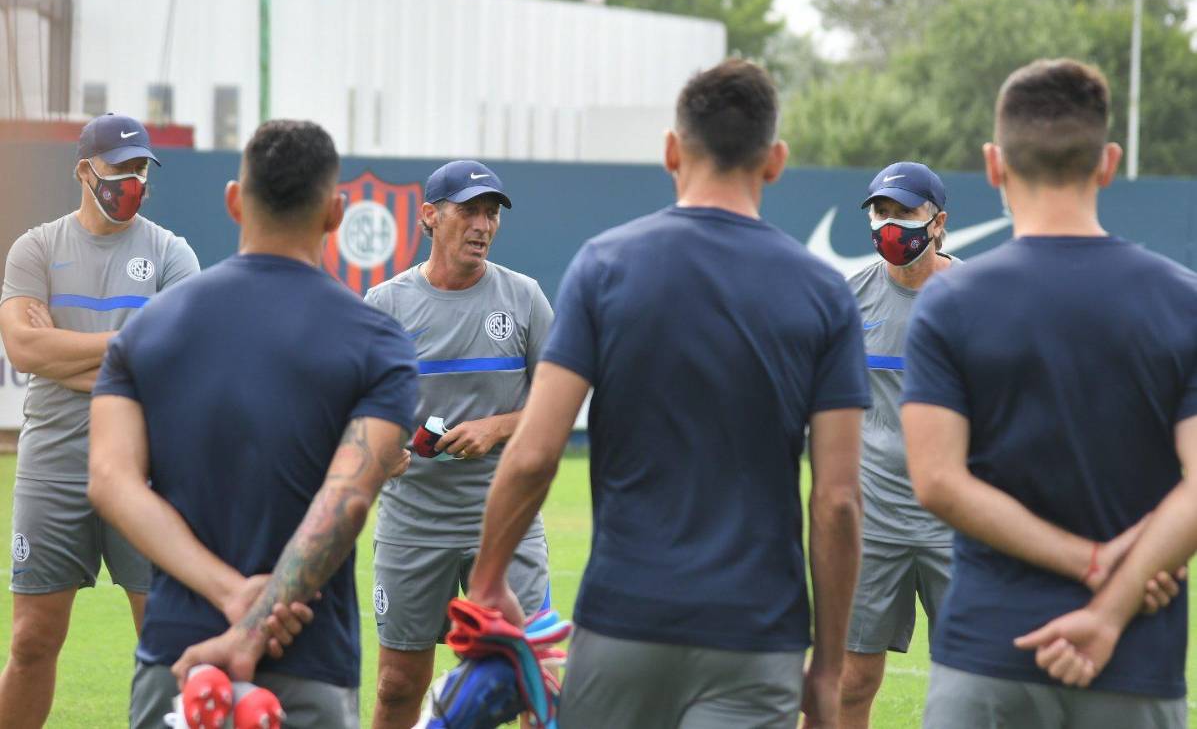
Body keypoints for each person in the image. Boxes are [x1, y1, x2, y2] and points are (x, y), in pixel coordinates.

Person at [466, 59, 870, 729]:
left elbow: (534, 454)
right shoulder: (822, 292)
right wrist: (827, 672)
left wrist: (485, 585)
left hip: (622, 623)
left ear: (670, 152)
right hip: (754, 637)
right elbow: (836, 501)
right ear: (774, 161)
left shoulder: (604, 265)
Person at [87, 120, 420, 729]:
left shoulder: (147, 331)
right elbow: (346, 500)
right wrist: (258, 610)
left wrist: (228, 595)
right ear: (335, 213)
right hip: (307, 662)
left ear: (235, 201)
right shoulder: (378, 342)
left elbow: (109, 480)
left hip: (178, 664)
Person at [900, 58, 1195, 729]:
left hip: (985, 656)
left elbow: (937, 481)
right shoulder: (1182, 302)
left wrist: (1088, 564)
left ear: (993, 164)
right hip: (1134, 662)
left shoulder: (950, 302)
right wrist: (1111, 598)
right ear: (1108, 161)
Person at [0, 113, 199, 729]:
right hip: (53, 469)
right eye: (121, 169)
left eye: (142, 169)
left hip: (146, 469)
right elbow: (24, 349)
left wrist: (65, 350)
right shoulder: (36, 248)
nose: (134, 181)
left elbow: (171, 365)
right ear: (85, 171)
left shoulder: (172, 253)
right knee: (32, 642)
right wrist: (126, 349)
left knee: (165, 644)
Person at [364, 159, 553, 729]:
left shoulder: (524, 298)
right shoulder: (385, 306)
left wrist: (496, 428)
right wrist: (381, 452)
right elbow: (359, 414)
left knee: (534, 673)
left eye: (491, 212)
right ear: (429, 217)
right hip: (412, 522)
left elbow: (557, 404)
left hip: (505, 516)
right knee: (399, 685)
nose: (483, 225)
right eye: (468, 210)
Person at [841, 162, 956, 729]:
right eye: (880, 212)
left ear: (938, 223)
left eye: (904, 213)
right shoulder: (848, 299)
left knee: (974, 683)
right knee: (851, 682)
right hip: (872, 526)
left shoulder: (977, 298)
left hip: (958, 524)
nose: (889, 225)